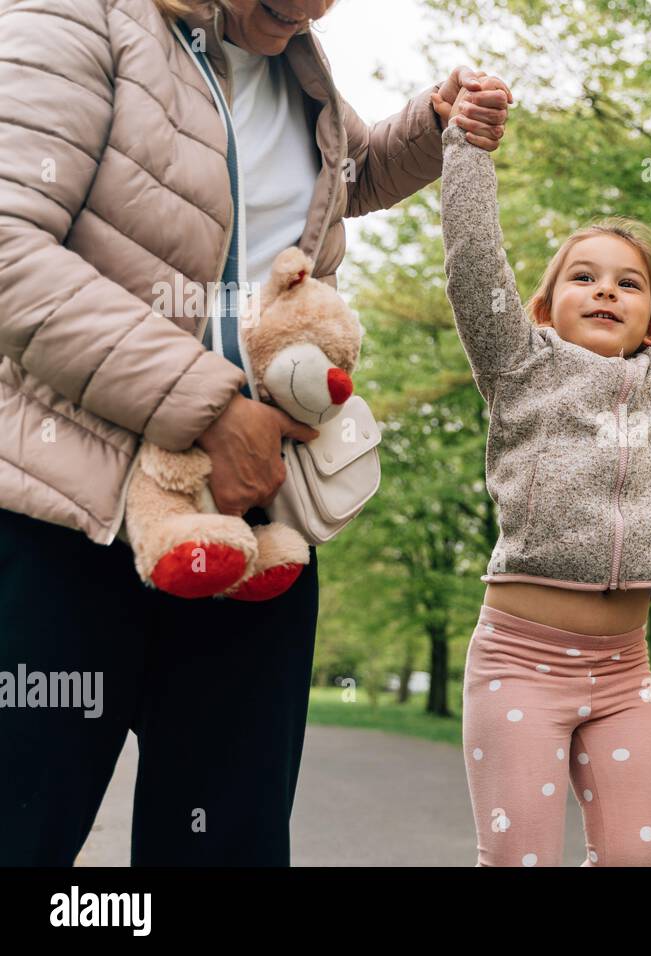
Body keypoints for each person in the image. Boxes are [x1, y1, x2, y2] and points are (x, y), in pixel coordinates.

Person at [0, 0, 508, 866]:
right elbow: (11, 250)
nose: (314, 6)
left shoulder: (298, 65)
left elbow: (354, 172)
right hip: (69, 524)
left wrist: (430, 121)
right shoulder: (74, 16)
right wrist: (208, 408)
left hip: (254, 526)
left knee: (226, 845)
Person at [435, 85, 651, 865]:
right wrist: (467, 150)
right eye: (583, 278)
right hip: (520, 663)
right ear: (541, 309)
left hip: (627, 674)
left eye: (628, 284)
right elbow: (472, 261)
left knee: (636, 861)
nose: (605, 290)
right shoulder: (518, 364)